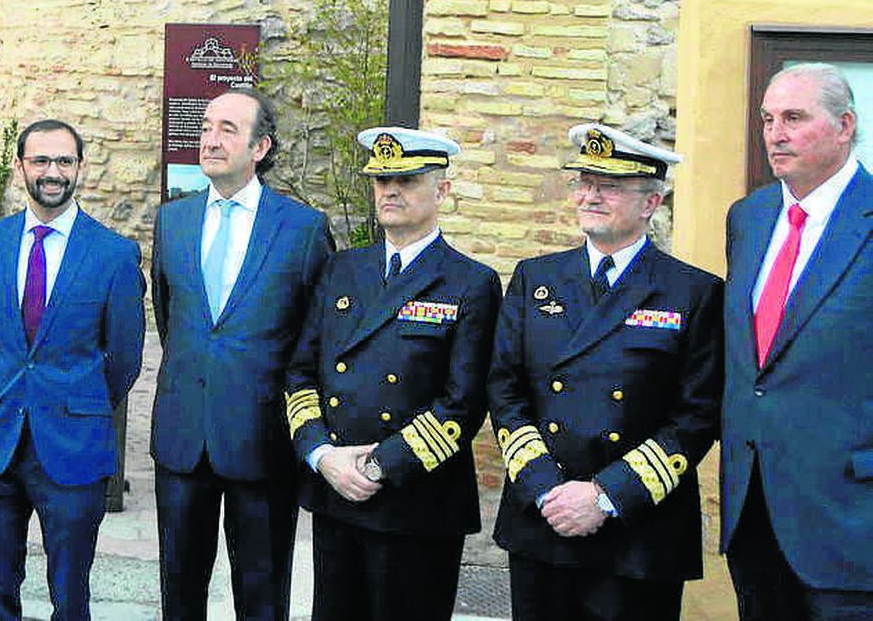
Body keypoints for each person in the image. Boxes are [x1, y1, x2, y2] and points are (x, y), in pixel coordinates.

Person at [486, 123, 722, 621]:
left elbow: (697, 415)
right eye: (585, 182)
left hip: (637, 530)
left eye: (609, 187)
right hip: (543, 515)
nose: (591, 196)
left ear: (651, 203)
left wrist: (606, 496)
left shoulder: (693, 292)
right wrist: (546, 487)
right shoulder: (537, 278)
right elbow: (505, 387)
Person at [283, 127, 499, 621]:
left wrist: (379, 466)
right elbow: (301, 372)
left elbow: (463, 400)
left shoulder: (470, 282)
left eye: (406, 179)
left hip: (416, 501)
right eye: (381, 181)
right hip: (337, 492)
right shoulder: (342, 269)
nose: (390, 191)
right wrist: (322, 456)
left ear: (441, 190)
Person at [149, 88, 332, 620]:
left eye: (228, 129)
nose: (210, 139)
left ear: (261, 146)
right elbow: (174, 321)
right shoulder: (173, 221)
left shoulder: (301, 229)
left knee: (262, 593)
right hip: (183, 439)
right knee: (178, 593)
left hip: (263, 439)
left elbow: (314, 335)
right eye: (206, 127)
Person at [0, 119, 145, 620]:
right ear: (21, 166)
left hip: (72, 445)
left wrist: (73, 399)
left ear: (81, 169)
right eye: (41, 160)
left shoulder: (113, 254)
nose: (52, 171)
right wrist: (11, 388)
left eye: (64, 161)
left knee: (69, 590)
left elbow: (124, 357)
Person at [722, 62, 873, 620]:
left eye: (793, 118)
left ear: (845, 125)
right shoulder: (750, 217)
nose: (775, 135)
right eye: (767, 119)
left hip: (851, 516)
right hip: (754, 512)